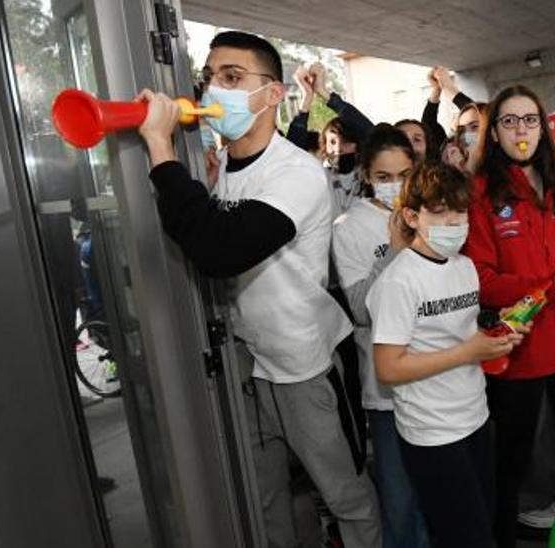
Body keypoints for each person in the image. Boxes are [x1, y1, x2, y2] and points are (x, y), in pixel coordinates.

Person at [134, 31, 380, 547]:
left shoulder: (298, 173)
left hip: (304, 369)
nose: (212, 90)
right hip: (246, 365)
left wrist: (159, 147)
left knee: (344, 496)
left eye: (231, 77)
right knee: (266, 497)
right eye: (209, 78)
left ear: (272, 94)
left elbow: (221, 250)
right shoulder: (221, 167)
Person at [368, 162, 523, 548]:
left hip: (474, 417)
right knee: (466, 537)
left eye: (460, 211)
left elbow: (463, 329)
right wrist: (468, 351)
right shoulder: (399, 281)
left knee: (481, 525)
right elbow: (388, 368)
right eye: (439, 211)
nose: (453, 221)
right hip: (432, 433)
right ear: (412, 216)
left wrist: (501, 328)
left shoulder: (465, 266)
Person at [462, 85, 555, 545]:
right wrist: (545, 286)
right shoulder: (479, 194)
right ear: (494, 133)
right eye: (510, 121)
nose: (522, 130)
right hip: (519, 348)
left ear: (543, 128)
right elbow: (480, 279)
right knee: (512, 459)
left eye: (530, 120)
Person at [332, 125, 429, 548]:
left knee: (434, 490)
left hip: (434, 378)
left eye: (404, 175)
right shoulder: (349, 227)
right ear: (367, 175)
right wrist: (393, 249)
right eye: (384, 177)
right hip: (386, 388)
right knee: (400, 495)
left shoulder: (429, 213)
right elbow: (358, 308)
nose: (396, 186)